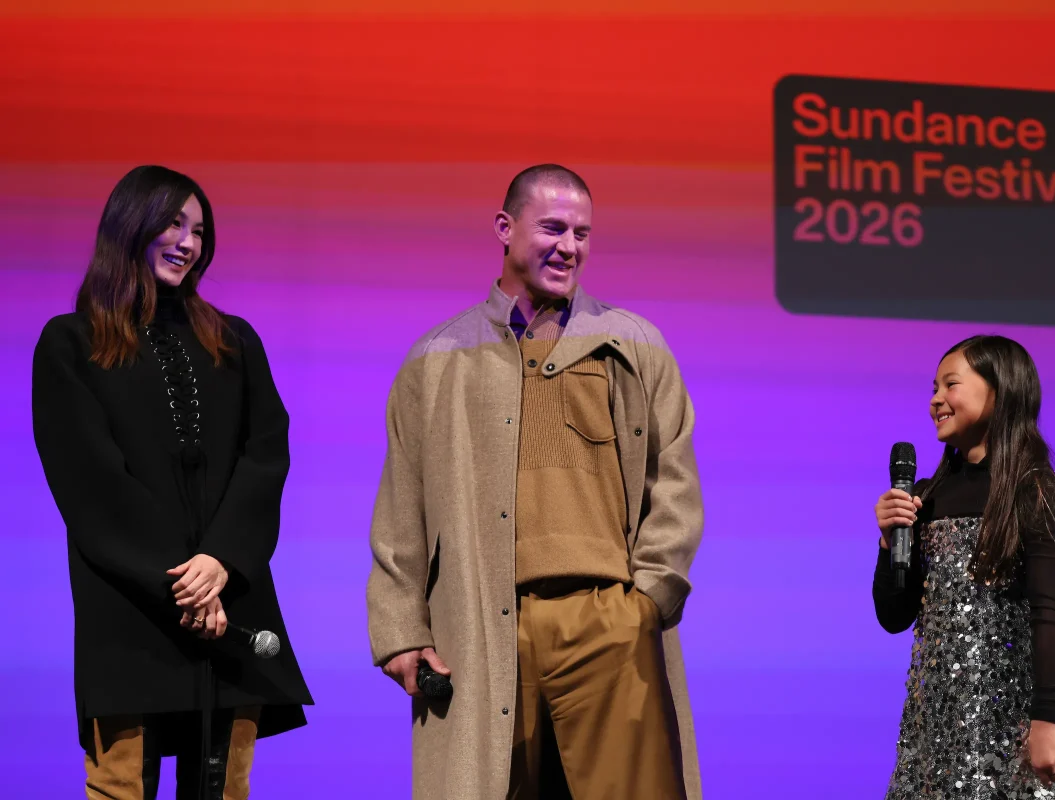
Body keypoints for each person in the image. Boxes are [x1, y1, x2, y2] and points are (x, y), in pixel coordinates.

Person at [367, 164, 704, 799]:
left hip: (608, 620)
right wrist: (401, 633)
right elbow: (399, 512)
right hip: (483, 627)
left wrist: (646, 604)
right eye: (553, 227)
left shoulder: (634, 344)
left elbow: (675, 483)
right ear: (505, 228)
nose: (569, 246)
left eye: (582, 233)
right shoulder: (436, 359)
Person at [32, 165, 313, 799]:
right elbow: (91, 481)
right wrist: (183, 582)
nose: (188, 242)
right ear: (129, 227)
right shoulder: (71, 344)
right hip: (131, 613)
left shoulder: (235, 341)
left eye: (199, 230)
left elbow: (266, 456)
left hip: (231, 605)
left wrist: (221, 561)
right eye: (172, 223)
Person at [872, 335, 1055, 799]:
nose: (936, 400)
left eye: (951, 384)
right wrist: (888, 544)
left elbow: (1048, 613)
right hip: (933, 733)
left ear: (999, 393)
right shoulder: (927, 494)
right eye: (933, 388)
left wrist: (1047, 719)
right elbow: (894, 616)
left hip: (1008, 729)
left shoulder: (1032, 488)